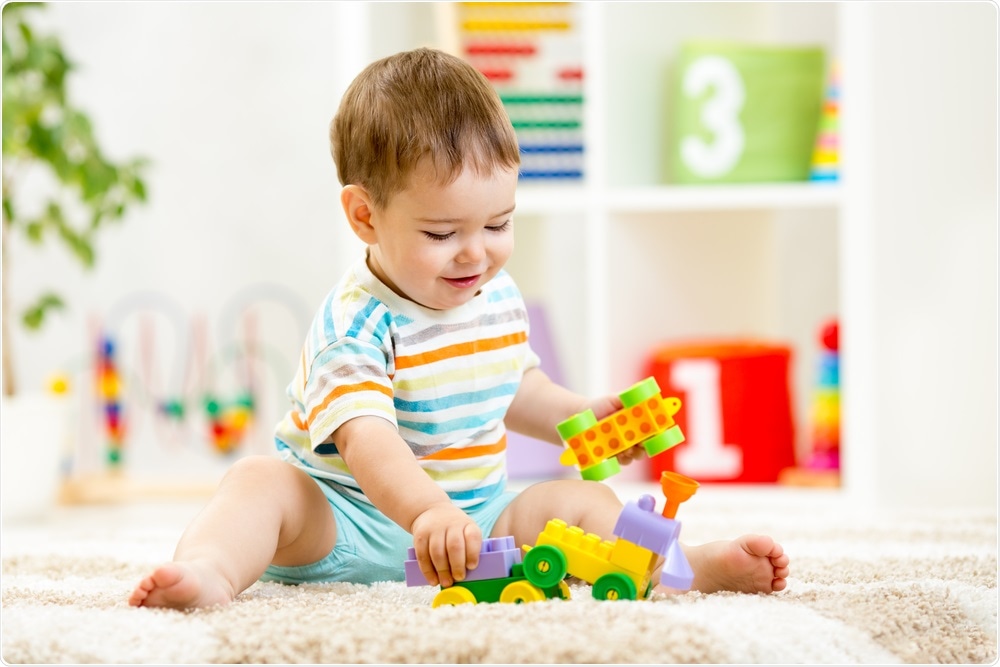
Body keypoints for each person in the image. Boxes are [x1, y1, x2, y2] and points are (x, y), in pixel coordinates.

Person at [129, 48, 789, 610]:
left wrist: (583, 417)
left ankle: (681, 567)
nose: (476, 253)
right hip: (347, 519)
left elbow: (514, 386)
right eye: (443, 233)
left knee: (572, 498)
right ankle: (212, 569)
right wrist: (424, 513)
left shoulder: (494, 296)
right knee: (258, 482)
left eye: (498, 224)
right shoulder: (355, 320)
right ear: (364, 215)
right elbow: (369, 441)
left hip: (478, 521)